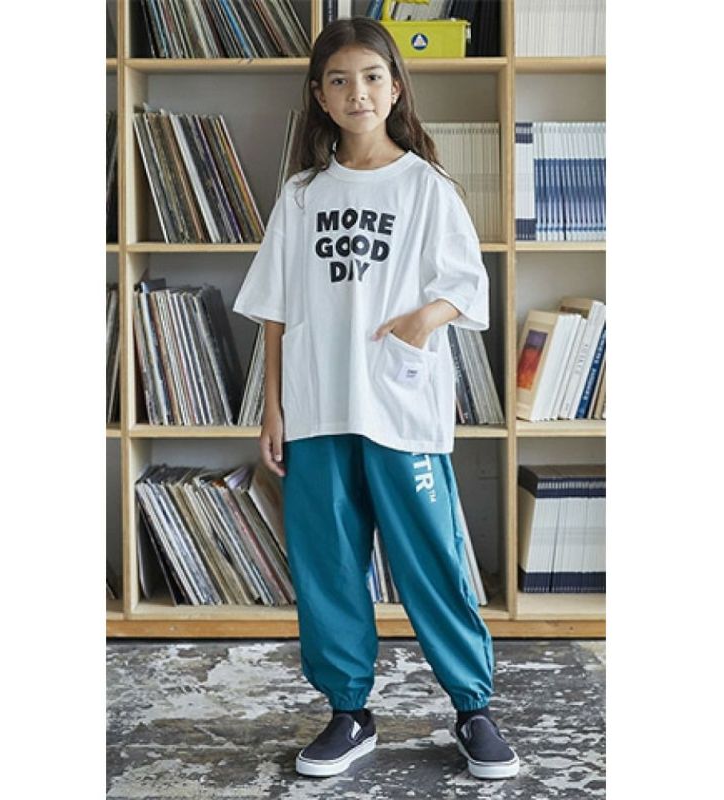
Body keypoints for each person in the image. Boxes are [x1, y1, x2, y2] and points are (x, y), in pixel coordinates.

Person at [232, 16, 520, 782]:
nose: (356, 92)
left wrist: (423, 320)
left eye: (370, 77)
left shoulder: (427, 187)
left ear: (395, 89)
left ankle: (473, 708)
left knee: (431, 558)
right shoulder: (302, 196)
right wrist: (272, 408)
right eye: (339, 80)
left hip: (401, 407)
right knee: (328, 564)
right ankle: (349, 712)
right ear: (320, 97)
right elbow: (274, 311)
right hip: (317, 407)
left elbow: (467, 287)